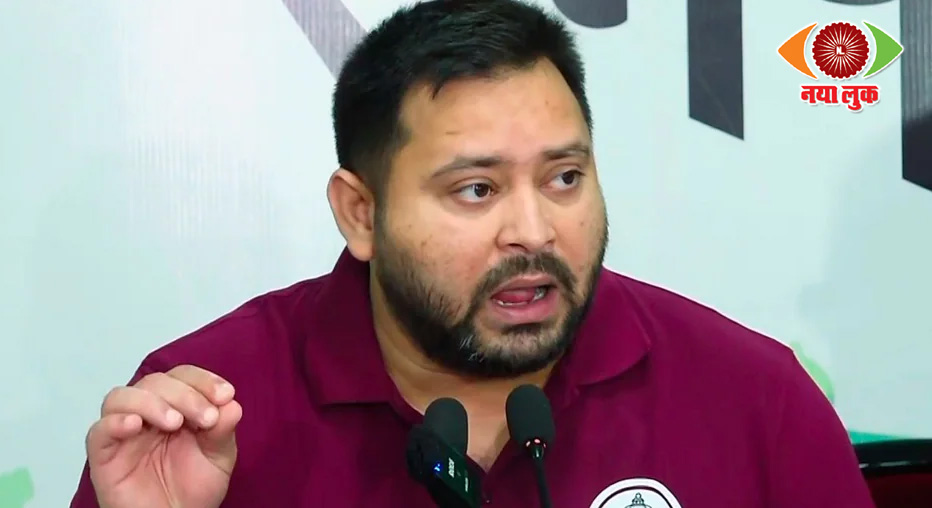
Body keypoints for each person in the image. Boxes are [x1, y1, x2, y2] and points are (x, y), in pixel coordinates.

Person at [70, 1, 876, 507]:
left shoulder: (753, 399)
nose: (534, 230)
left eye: (564, 178)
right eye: (477, 190)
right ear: (360, 213)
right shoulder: (207, 415)